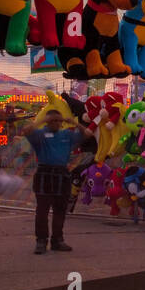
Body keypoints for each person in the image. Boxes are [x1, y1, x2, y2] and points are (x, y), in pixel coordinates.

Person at [23, 108, 92, 254]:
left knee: (60, 210)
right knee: (42, 211)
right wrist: (42, 120)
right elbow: (26, 130)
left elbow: (88, 134)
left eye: (58, 120)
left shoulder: (67, 134)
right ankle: (41, 241)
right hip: (45, 173)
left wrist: (72, 122)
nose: (56, 123)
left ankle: (57, 240)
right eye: (53, 120)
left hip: (62, 174)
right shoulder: (40, 134)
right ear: (47, 122)